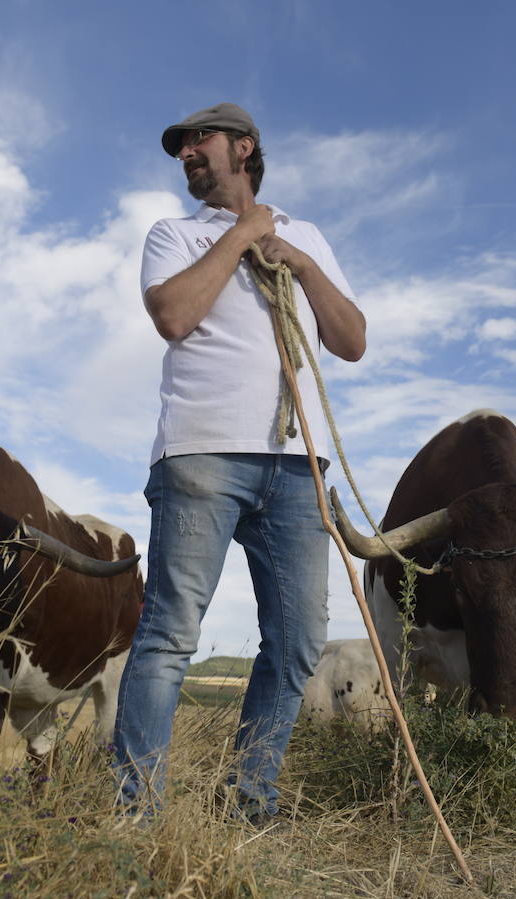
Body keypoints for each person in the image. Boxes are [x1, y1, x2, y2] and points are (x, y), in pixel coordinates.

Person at [112, 103, 367, 824]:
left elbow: (350, 341)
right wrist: (246, 235)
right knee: (169, 634)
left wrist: (305, 264)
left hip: (296, 464)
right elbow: (173, 315)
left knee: (296, 643)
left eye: (199, 140)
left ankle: (249, 802)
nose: (187, 153)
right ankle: (139, 816)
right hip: (201, 454)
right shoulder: (175, 234)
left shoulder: (307, 234)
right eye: (182, 147)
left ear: (243, 146)